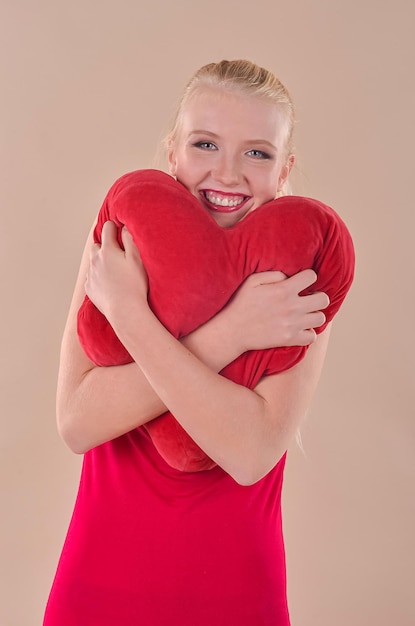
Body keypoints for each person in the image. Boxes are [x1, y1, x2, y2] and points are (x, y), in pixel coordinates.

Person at [44, 60, 354, 625]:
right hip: (96, 586)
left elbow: (248, 453)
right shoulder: (121, 238)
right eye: (205, 144)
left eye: (257, 153)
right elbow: (77, 422)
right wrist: (233, 331)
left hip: (237, 596)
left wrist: (130, 315)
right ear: (172, 153)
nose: (228, 174)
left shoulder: (301, 279)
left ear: (284, 170)